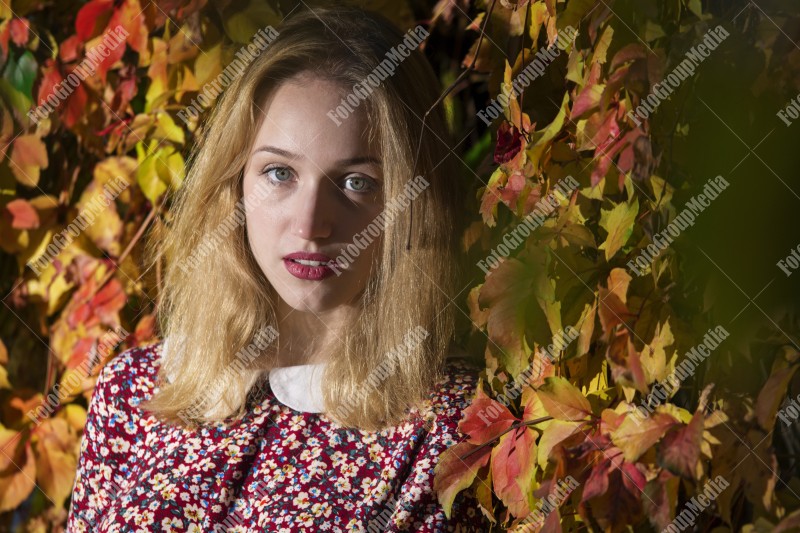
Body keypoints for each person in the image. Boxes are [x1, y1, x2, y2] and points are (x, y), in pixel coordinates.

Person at [66, 4, 490, 532]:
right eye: (279, 172)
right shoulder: (133, 391)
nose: (311, 224)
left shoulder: (456, 426)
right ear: (234, 181)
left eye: (358, 182)